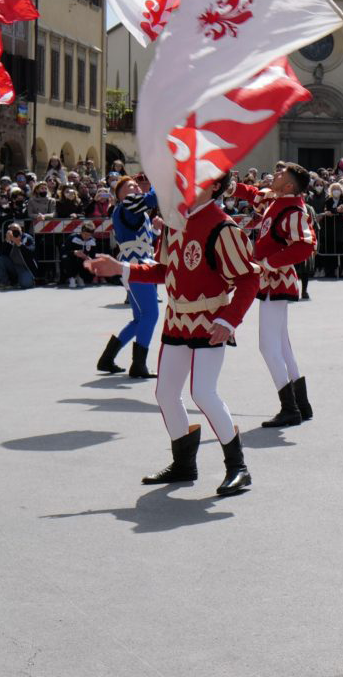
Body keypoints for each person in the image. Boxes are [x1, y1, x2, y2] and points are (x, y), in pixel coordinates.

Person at [82, 196, 262, 497]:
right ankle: (183, 463)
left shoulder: (222, 227)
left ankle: (238, 467)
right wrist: (121, 268)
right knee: (165, 393)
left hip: (210, 321)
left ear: (213, 184)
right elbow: (164, 271)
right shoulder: (174, 220)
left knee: (203, 392)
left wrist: (230, 321)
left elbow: (248, 278)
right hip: (177, 320)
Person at [251, 163, 320, 429]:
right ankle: (301, 405)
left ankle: (289, 408)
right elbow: (254, 195)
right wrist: (231, 187)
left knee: (268, 346)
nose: (274, 175)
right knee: (281, 345)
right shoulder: (279, 200)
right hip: (273, 280)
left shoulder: (293, 209)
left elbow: (306, 245)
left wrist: (270, 262)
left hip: (275, 280)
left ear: (290, 185)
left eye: (281, 175)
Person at [94, 178, 160, 379]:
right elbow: (155, 197)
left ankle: (107, 358)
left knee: (140, 318)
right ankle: (138, 365)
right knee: (150, 315)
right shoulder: (129, 204)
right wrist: (161, 174)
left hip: (136, 265)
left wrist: (157, 228)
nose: (136, 188)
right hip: (136, 266)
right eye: (130, 186)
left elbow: (144, 239)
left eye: (137, 186)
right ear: (119, 195)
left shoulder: (134, 210)